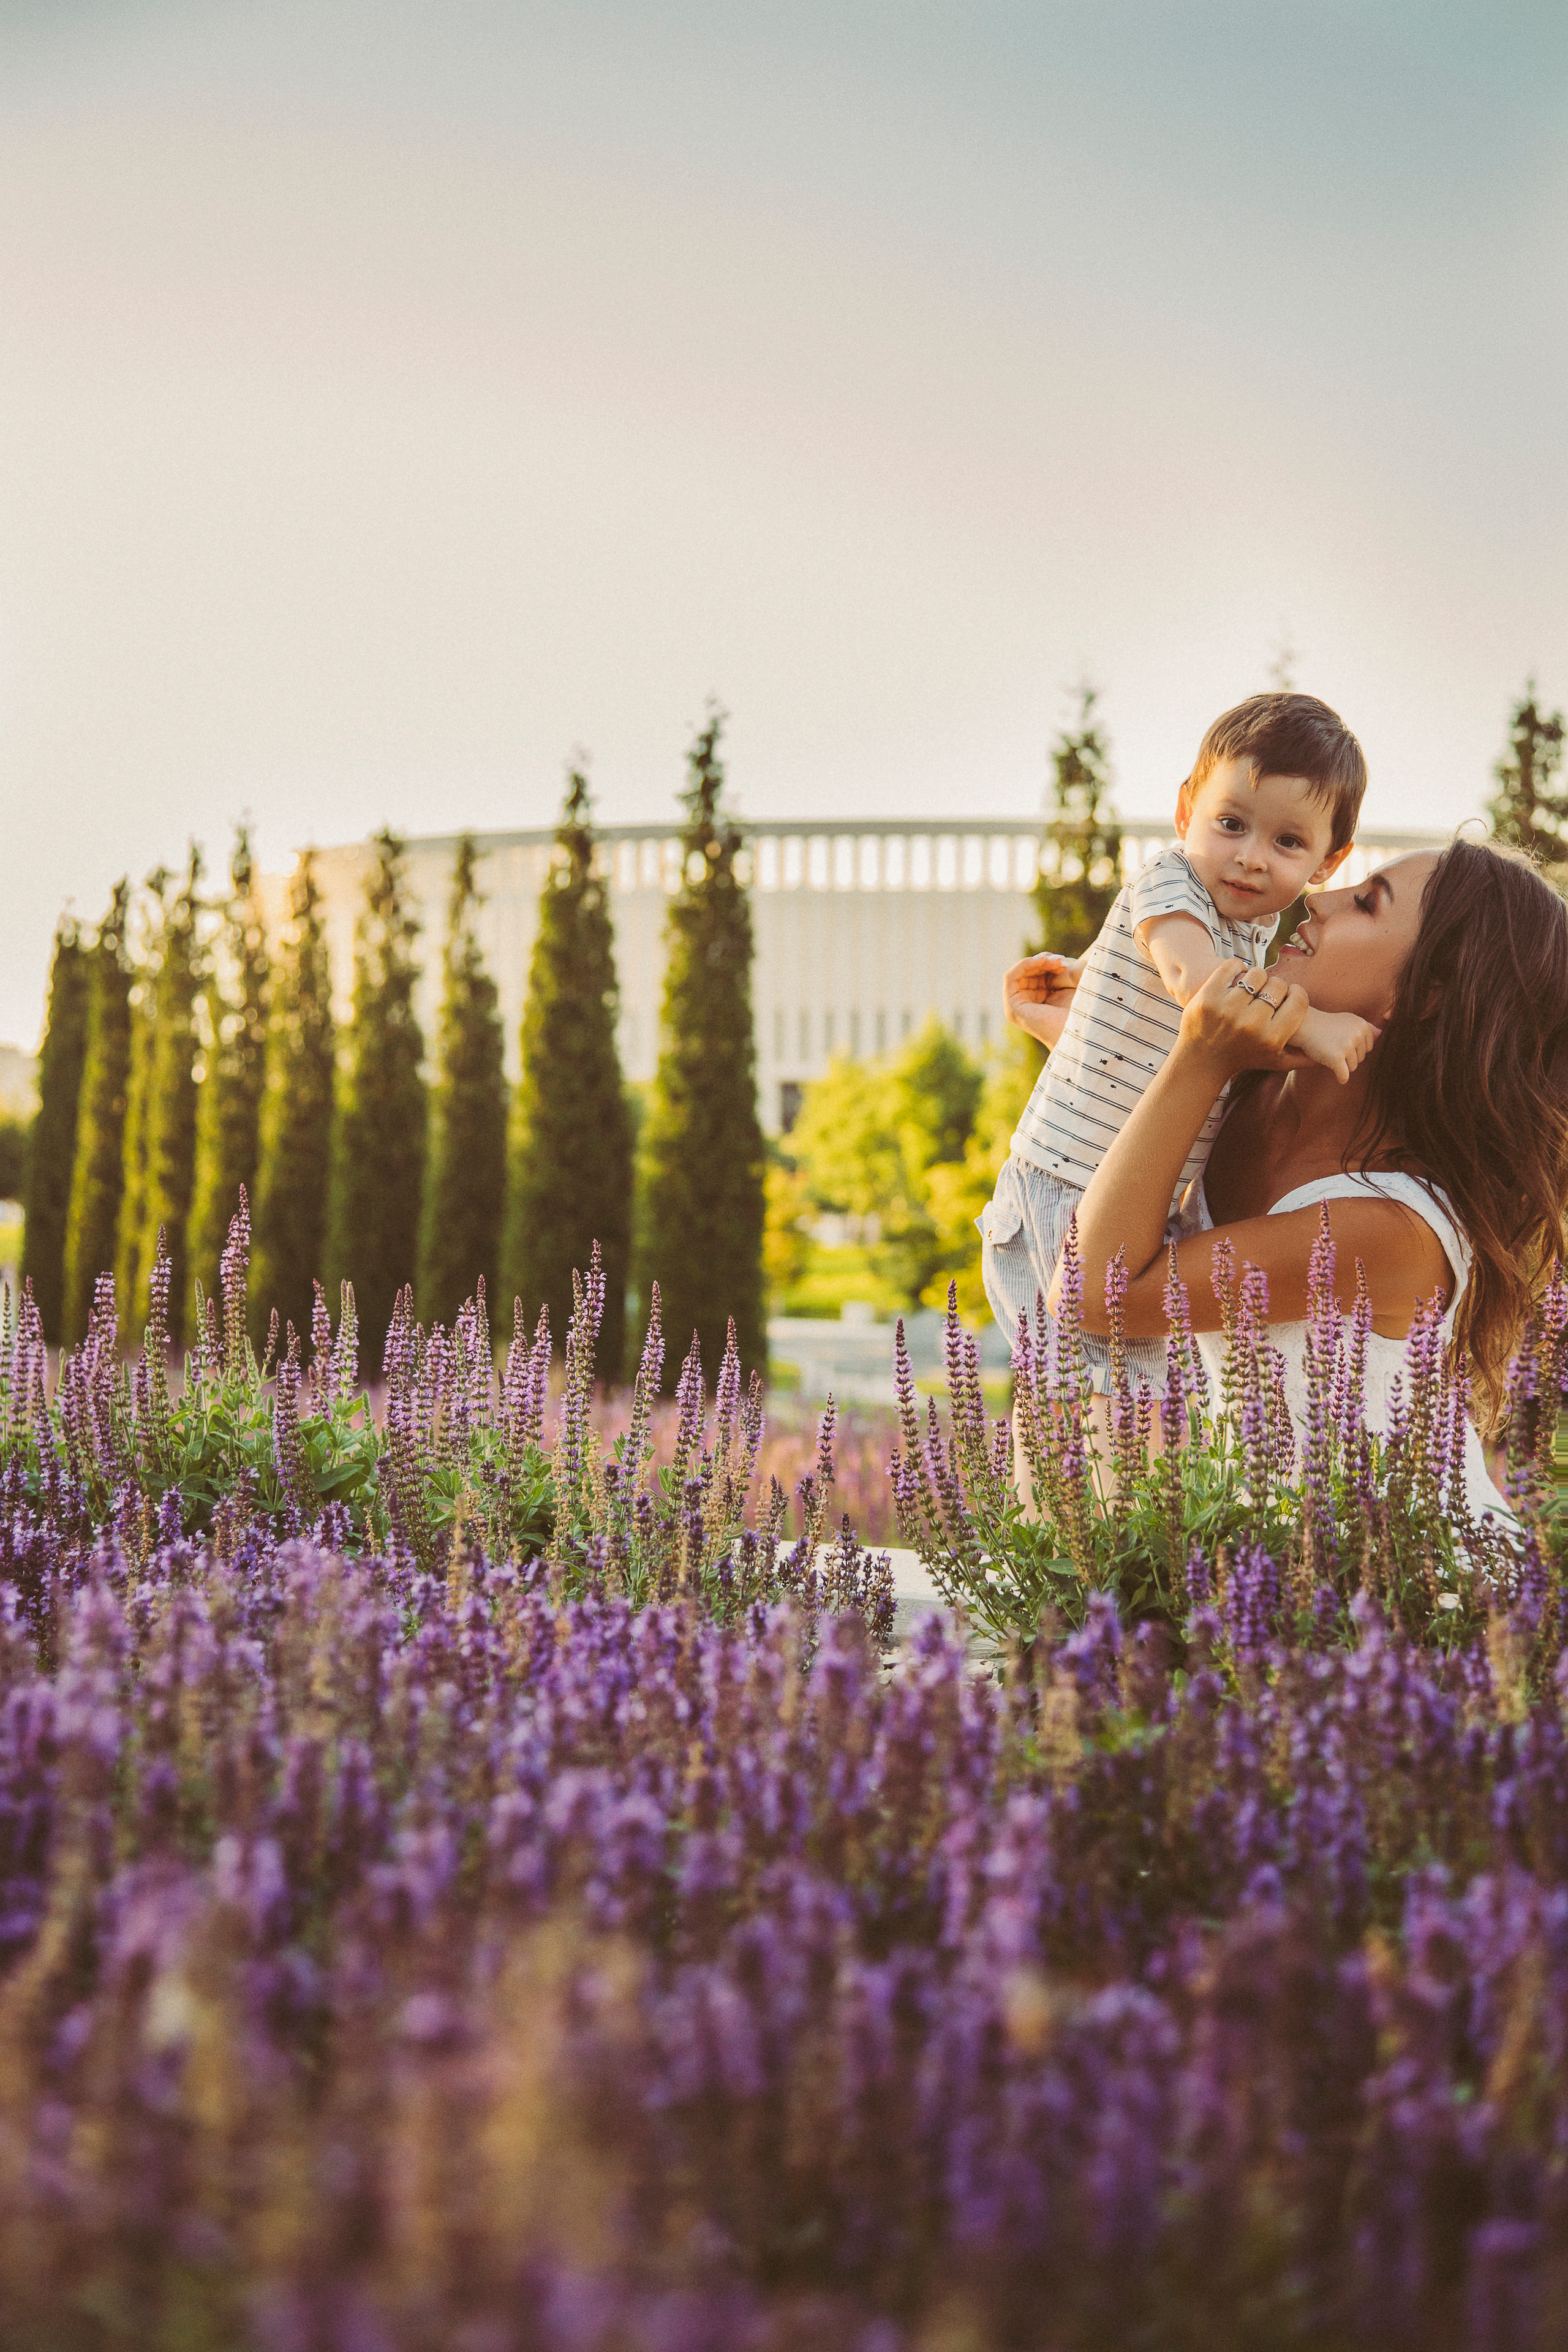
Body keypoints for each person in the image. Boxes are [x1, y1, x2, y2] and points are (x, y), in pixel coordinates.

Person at [1044, 837, 1568, 1518]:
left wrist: (1200, 1059)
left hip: (1409, 1589)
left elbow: (1097, 1295)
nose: (1313, 901)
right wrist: (1081, 1043)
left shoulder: (1388, 1227)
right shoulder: (1255, 1095)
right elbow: (1141, 1154)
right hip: (1279, 1564)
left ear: (1426, 994)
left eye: (1365, 903)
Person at [984, 692, 1371, 1397]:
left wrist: (1067, 1024)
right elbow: (1196, 986)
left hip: (1135, 1198)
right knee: (1099, 1407)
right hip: (1065, 1187)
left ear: (1327, 861)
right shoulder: (1172, 881)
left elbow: (1155, 1046)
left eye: (1287, 842)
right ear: (1185, 810)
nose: (1251, 858)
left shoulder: (1254, 934)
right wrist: (1312, 1027)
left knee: (1159, 1405)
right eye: (1230, 824)